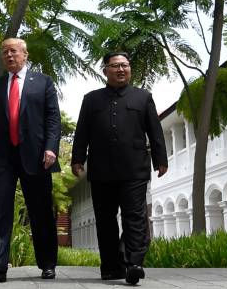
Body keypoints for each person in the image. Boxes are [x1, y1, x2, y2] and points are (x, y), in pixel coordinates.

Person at [71, 51, 168, 286]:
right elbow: (82, 131)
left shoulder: (143, 97)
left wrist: (160, 159)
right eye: (115, 66)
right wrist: (77, 158)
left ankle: (134, 263)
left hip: (134, 168)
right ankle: (111, 267)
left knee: (134, 217)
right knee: (105, 221)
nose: (121, 69)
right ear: (105, 71)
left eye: (125, 65)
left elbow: (155, 131)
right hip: (101, 169)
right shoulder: (91, 99)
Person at [0, 38, 61, 284]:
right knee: (1, 211)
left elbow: (53, 119)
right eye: (4, 52)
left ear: (25, 54)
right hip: (2, 157)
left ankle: (47, 264)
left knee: (41, 211)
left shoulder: (43, 82)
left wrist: (51, 148)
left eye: (13, 51)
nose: (8, 55)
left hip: (36, 157)